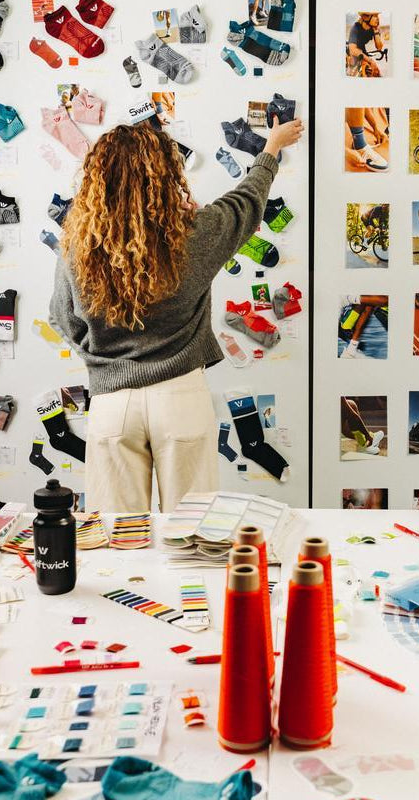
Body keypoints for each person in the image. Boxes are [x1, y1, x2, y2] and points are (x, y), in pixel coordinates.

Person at [49, 116, 304, 512]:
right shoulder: (194, 235)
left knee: (119, 540)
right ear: (166, 175)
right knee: (192, 534)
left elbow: (62, 318)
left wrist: (103, 359)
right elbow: (248, 203)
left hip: (112, 404)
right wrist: (270, 148)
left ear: (98, 180)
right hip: (181, 398)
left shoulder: (80, 246)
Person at [347, 12, 384, 77]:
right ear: (366, 17)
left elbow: (379, 47)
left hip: (362, 52)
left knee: (376, 73)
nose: (378, 19)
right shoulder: (356, 28)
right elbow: (353, 50)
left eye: (378, 16)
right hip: (353, 54)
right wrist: (371, 61)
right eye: (375, 16)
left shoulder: (373, 28)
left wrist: (375, 30)